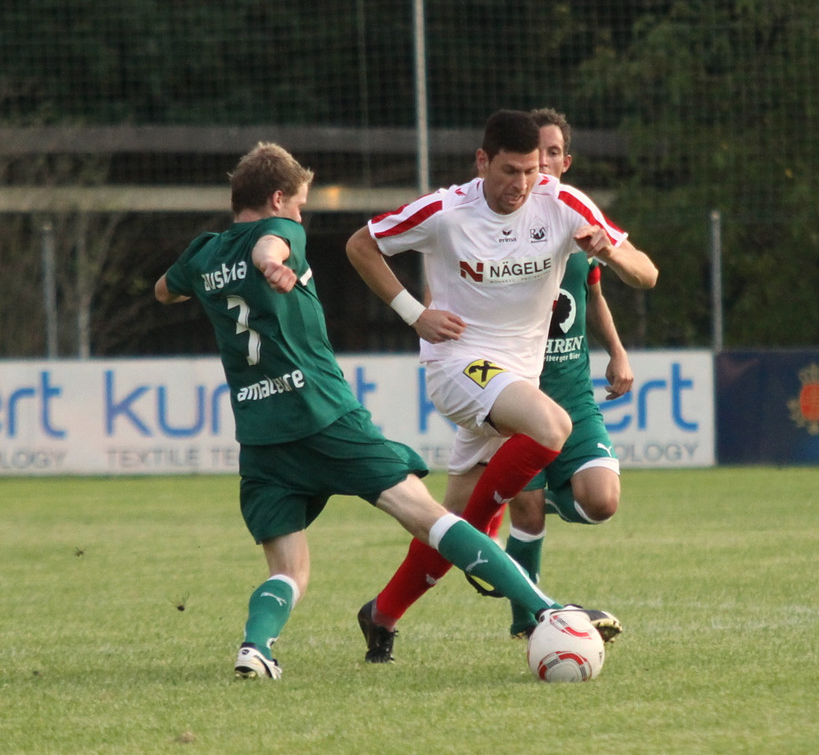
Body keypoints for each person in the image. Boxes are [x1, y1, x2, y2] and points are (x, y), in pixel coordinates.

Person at [154, 141, 617, 679]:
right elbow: (269, 247)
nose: (300, 217)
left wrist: (208, 280)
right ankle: (546, 610)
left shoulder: (203, 253)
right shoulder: (280, 232)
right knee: (432, 518)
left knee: (290, 571)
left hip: (261, 438)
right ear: (278, 199)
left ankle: (256, 647)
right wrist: (270, 264)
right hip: (325, 418)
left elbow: (165, 290)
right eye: (299, 205)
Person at [345, 110, 658, 661]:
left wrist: (608, 250)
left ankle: (382, 614)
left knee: (446, 526)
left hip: (515, 380)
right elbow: (360, 245)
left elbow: (646, 273)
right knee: (552, 424)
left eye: (532, 171)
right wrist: (415, 314)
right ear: (482, 161)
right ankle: (540, 601)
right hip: (458, 366)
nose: (522, 184)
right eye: (510, 171)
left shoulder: (562, 203)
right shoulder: (446, 211)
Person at [494, 108, 636, 638]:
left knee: (601, 502)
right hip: (517, 397)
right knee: (525, 515)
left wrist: (617, 351)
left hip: (573, 394)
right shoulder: (499, 222)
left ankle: (549, 493)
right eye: (536, 155)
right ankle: (527, 621)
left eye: (553, 153)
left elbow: (592, 293)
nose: (544, 162)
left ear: (564, 161)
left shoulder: (577, 219)